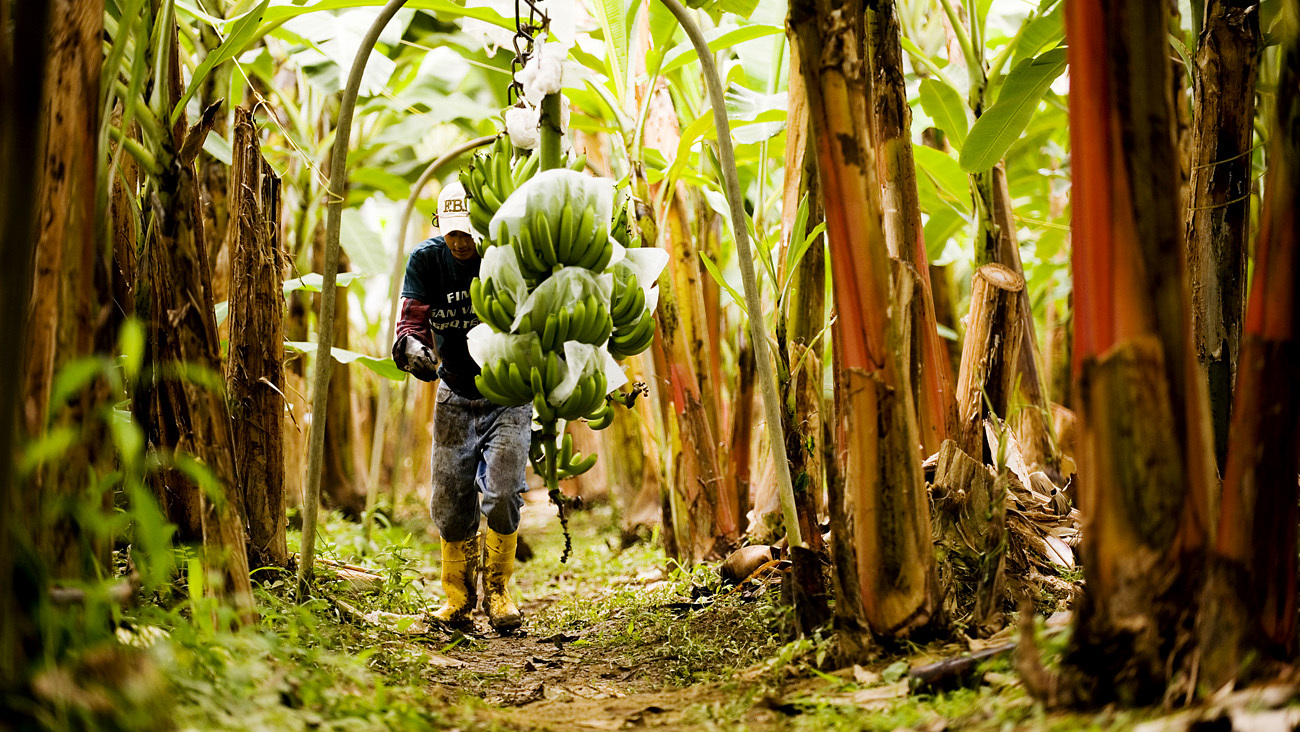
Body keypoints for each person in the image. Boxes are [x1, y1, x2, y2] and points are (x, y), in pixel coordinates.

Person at [391, 181, 530, 632]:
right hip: (453, 392)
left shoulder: (503, 255)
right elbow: (409, 322)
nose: (460, 241)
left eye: (467, 232)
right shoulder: (427, 260)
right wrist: (411, 350)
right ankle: (458, 598)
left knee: (504, 493)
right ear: (440, 228)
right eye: (452, 232)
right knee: (450, 504)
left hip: (508, 393)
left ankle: (499, 592)